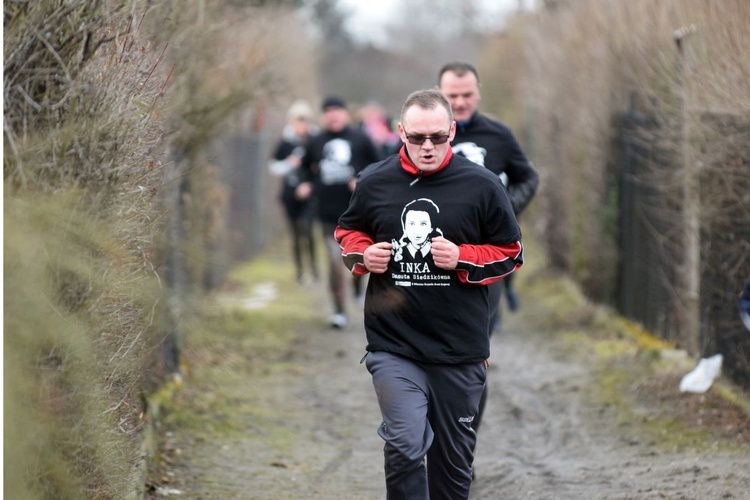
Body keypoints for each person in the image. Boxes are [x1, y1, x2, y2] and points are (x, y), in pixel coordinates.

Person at [335, 89, 523, 499]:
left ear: (452, 131)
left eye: (437, 137)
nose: (427, 147)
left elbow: (511, 253)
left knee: (452, 470)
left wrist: (462, 256)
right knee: (404, 444)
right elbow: (347, 231)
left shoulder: (483, 186)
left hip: (459, 348)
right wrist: (365, 254)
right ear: (400, 132)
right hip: (393, 344)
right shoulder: (374, 181)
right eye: (417, 137)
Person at [438, 61, 539, 436]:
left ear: (478, 93)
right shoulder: (424, 135)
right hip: (430, 263)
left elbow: (528, 176)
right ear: (439, 94)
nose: (461, 102)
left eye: (467, 95)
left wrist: (505, 211)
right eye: (452, 96)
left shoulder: (498, 135)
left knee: (471, 357)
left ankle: (462, 448)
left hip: (486, 263)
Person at [297, 96, 382, 329]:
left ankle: (357, 287)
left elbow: (381, 167)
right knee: (335, 261)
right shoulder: (315, 141)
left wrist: (362, 181)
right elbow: (304, 169)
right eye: (328, 111)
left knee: (355, 259)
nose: (333, 115)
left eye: (337, 110)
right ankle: (339, 312)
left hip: (358, 214)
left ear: (345, 113)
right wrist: (305, 184)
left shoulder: (361, 138)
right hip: (327, 213)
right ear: (323, 115)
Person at [268, 100, 319, 284]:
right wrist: (288, 164)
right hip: (290, 195)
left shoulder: (315, 141)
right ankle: (300, 273)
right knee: (296, 234)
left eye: (304, 120)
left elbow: (320, 167)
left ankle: (314, 269)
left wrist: (310, 185)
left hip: (310, 195)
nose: (301, 124)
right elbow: (273, 166)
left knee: (307, 228)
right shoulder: (285, 142)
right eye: (298, 120)